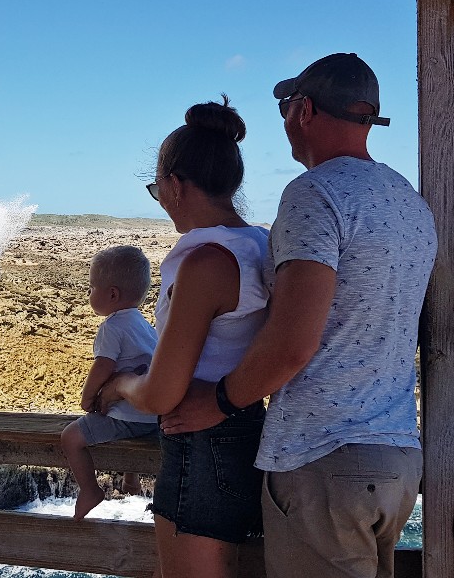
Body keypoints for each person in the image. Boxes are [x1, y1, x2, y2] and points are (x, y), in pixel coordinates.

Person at [160, 53, 438, 578]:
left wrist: (219, 402)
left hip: (323, 457)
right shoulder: (409, 201)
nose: (285, 119)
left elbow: (293, 341)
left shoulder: (314, 194)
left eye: (287, 106)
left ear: (304, 110)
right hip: (398, 457)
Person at [98, 96, 270, 578]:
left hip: (201, 443)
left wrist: (120, 385)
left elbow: (162, 393)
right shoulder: (257, 244)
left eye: (157, 189)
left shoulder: (205, 261)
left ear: (175, 185)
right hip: (243, 429)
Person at [60, 245, 159, 520]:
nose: (89, 294)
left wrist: (87, 397)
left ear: (112, 294)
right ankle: (131, 478)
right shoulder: (143, 323)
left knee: (71, 437)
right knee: (132, 427)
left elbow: (103, 366)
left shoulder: (112, 327)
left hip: (127, 417)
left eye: (91, 288)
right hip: (153, 417)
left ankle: (90, 490)